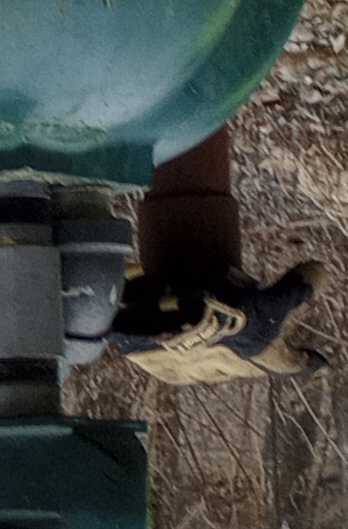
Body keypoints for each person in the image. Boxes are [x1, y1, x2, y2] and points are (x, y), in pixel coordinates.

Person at [106, 126, 322, 381]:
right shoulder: (254, 331)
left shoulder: (255, 329)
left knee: (188, 123)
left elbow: (315, 271)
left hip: (218, 302)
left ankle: (195, 313)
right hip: (148, 321)